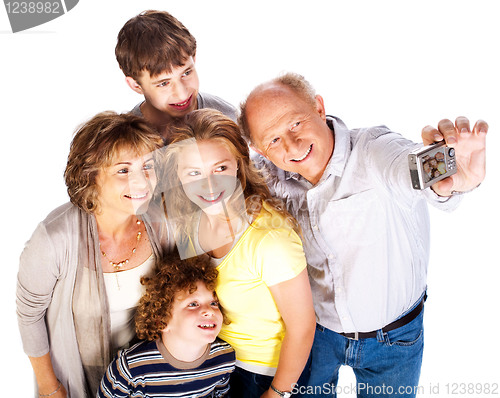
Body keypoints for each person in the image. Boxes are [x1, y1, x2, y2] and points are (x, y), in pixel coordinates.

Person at [238, 72, 487, 397]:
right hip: (318, 334)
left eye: (295, 124)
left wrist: (453, 169)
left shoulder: (375, 152)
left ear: (318, 107)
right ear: (259, 149)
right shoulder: (269, 177)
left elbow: (412, 167)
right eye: (273, 140)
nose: (292, 145)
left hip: (394, 338)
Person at [160, 109, 316, 398]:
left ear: (239, 165)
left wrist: (276, 393)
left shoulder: (270, 240)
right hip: (213, 363)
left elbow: (303, 328)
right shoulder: (189, 222)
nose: (209, 186)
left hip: (264, 374)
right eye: (194, 173)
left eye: (220, 168)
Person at [16, 112, 168, 397]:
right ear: (92, 176)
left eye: (148, 166)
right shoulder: (54, 238)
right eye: (123, 170)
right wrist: (50, 387)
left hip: (146, 380)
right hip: (74, 380)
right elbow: (29, 316)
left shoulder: (162, 224)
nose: (141, 181)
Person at [97, 253, 236, 397]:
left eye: (213, 303)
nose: (209, 310)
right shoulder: (129, 369)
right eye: (193, 304)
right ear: (162, 320)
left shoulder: (225, 360)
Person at [115, 10, 237, 140]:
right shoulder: (126, 143)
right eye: (164, 83)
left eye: (186, 73)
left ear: (193, 58)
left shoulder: (227, 117)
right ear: (136, 85)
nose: (182, 94)